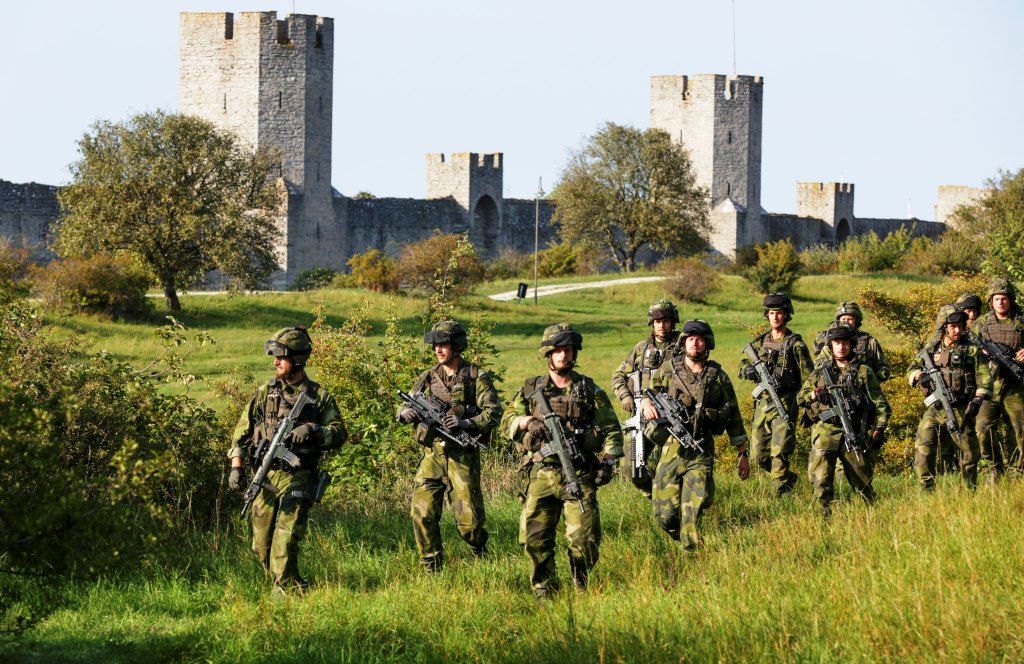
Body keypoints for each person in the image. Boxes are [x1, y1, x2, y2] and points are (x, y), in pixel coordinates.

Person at [500, 324, 622, 599]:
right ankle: (544, 590)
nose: (564, 355)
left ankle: (580, 580)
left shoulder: (588, 390)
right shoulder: (532, 389)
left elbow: (613, 430)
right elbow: (505, 422)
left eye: (569, 350)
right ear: (548, 354)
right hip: (541, 474)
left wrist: (609, 461)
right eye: (558, 351)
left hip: (578, 473)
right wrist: (527, 420)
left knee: (585, 540)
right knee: (535, 539)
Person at [227, 326, 348, 598]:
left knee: (285, 542)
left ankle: (284, 598)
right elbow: (241, 433)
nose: (275, 362)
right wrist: (236, 466)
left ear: (297, 360)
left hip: (299, 475)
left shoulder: (319, 397)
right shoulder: (264, 393)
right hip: (266, 476)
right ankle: (293, 583)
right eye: (275, 356)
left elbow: (340, 433)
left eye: (281, 357)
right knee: (262, 547)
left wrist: (315, 431)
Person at [396, 320, 501, 573]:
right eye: (436, 346)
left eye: (443, 345)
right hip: (431, 457)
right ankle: (431, 567)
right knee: (421, 515)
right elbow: (404, 403)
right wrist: (404, 413)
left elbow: (494, 413)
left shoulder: (475, 376)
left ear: (456, 346)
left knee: (470, 525)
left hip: (461, 457)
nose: (438, 350)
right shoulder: (427, 377)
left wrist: (465, 422)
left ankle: (479, 550)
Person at [640, 320, 750, 550]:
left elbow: (734, 415)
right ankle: (683, 538)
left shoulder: (717, 376)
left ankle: (693, 555)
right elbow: (648, 391)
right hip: (670, 449)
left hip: (700, 450)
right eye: (691, 339)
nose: (695, 344)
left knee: (692, 512)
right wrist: (646, 405)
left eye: (700, 340)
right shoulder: (669, 369)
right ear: (683, 342)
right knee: (665, 516)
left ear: (707, 344)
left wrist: (743, 453)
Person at [798, 324, 890, 517]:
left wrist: (879, 429)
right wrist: (816, 395)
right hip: (825, 432)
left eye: (845, 343)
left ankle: (873, 519)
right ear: (830, 346)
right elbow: (801, 397)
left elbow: (880, 403)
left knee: (863, 483)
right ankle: (823, 521)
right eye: (837, 343)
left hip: (854, 432)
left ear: (852, 344)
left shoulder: (864, 372)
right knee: (821, 482)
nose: (841, 347)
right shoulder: (820, 372)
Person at [907, 306, 990, 490]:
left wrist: (978, 399)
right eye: (953, 326)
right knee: (923, 450)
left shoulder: (970, 349)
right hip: (934, 409)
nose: (958, 330)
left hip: (960, 408)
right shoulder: (931, 347)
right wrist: (919, 375)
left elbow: (984, 377)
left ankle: (969, 490)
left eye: (960, 325)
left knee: (970, 453)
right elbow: (911, 369)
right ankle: (926, 491)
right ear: (944, 326)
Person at [738, 293, 813, 496]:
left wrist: (808, 405)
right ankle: (787, 479)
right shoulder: (761, 341)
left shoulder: (796, 344)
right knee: (759, 456)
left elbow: (810, 377)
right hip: (763, 404)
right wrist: (748, 370)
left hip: (786, 403)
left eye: (779, 313)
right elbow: (743, 363)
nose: (775, 318)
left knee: (779, 453)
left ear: (786, 315)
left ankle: (777, 497)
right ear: (767, 316)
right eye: (771, 313)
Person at [610, 299, 681, 498]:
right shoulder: (641, 349)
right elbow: (618, 376)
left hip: (671, 417)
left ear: (673, 321)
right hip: (641, 416)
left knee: (674, 468)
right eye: (657, 321)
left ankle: (671, 499)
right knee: (633, 468)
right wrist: (625, 396)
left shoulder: (683, 346)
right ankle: (654, 493)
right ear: (652, 323)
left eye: (666, 320)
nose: (662, 325)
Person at [973, 278, 1024, 482]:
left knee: (1020, 432)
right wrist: (981, 352)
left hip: (1016, 386)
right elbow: (966, 347)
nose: (1001, 302)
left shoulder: (1021, 321)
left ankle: (1018, 473)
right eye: (996, 299)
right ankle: (995, 469)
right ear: (991, 301)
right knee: (982, 429)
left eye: (1004, 298)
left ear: (1010, 299)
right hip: (989, 387)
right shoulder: (982, 323)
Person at [813, 301, 891, 381]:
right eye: (843, 319)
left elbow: (884, 368)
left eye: (850, 319)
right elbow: (816, 366)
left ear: (856, 321)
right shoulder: (830, 340)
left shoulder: (870, 342)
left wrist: (870, 382)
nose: (846, 322)